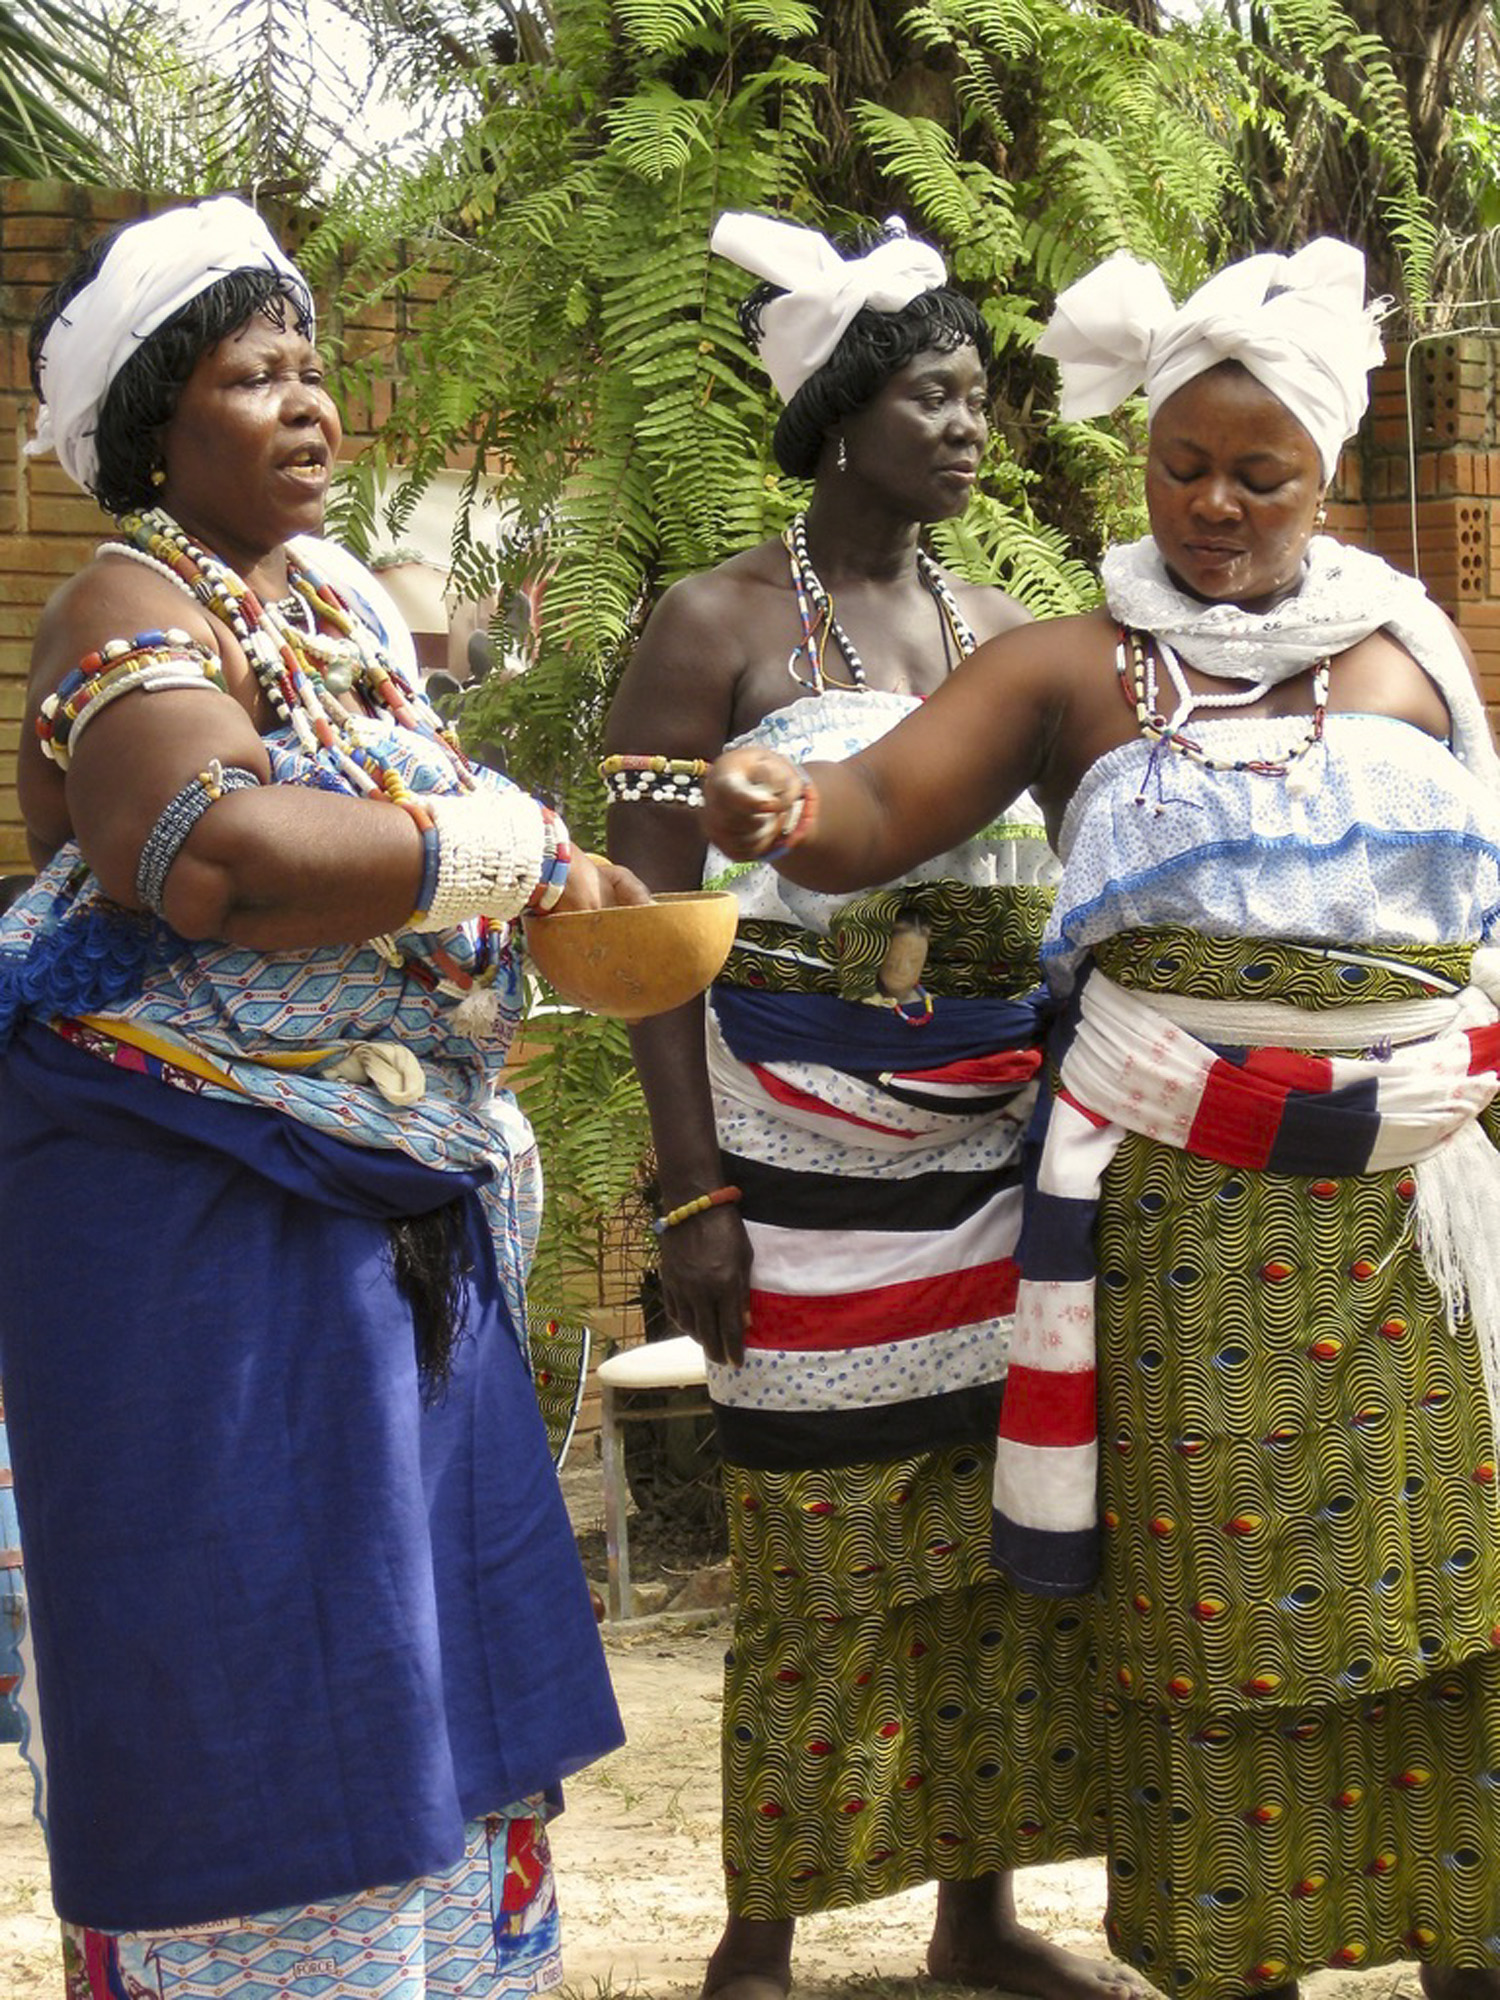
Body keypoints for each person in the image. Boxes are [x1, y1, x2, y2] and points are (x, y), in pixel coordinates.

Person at [702, 234, 1500, 2000]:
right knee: (1217, 1612)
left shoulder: (1410, 657)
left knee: (1454, 1598)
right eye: (1181, 465)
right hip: (1186, 1228)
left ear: (1328, 471)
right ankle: (1237, 1960)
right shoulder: (1080, 669)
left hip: (1419, 1217)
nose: (1213, 505)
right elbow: (875, 804)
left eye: (1258, 475)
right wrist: (780, 806)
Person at [0, 195, 648, 2000]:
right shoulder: (123, 603)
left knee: (403, 1651)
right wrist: (501, 850)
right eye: (248, 375)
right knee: (254, 1647)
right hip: (195, 1226)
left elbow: (418, 843)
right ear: (155, 420)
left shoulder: (341, 612)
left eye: (310, 368)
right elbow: (199, 851)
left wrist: (552, 874)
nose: (305, 403)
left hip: (381, 1215)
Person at [604, 212, 1137, 2000]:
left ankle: (977, 1918)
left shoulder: (1011, 633)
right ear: (838, 412)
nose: (970, 423)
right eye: (932, 394)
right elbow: (648, 929)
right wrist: (695, 1189)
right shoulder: (715, 626)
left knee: (998, 1536)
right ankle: (757, 1943)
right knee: (816, 1544)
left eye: (981, 393)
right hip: (795, 1176)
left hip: (993, 1163)